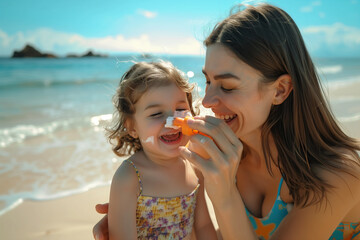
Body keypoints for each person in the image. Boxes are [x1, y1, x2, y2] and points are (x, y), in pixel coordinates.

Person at [93, 4, 360, 240]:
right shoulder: (215, 153)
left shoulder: (339, 176)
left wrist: (226, 197)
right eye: (208, 81)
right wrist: (147, 216)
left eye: (228, 86)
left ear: (279, 90)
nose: (207, 101)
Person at [103, 60, 217, 240]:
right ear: (132, 127)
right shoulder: (129, 177)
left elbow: (203, 226)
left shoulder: (195, 167)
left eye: (180, 109)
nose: (172, 122)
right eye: (156, 114)